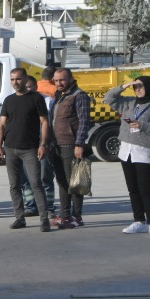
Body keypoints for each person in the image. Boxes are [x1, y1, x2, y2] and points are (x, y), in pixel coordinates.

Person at [105, 75, 150, 237]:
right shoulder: (128, 102)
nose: (138, 90)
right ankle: (139, 220)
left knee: (145, 189)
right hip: (126, 150)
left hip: (144, 151)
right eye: (136, 87)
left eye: (141, 86)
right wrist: (125, 85)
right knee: (133, 189)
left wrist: (143, 125)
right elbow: (108, 98)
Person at [0, 67, 52, 232]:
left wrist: (43, 144)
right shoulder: (8, 100)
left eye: (18, 79)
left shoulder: (36, 98)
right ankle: (19, 218)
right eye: (12, 80)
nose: (15, 82)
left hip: (30, 148)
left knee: (36, 184)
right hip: (10, 148)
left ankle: (44, 219)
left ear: (25, 79)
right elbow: (2, 125)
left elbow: (45, 122)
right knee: (14, 186)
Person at [45, 68, 92, 229]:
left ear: (71, 79)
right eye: (56, 80)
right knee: (62, 182)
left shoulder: (79, 96)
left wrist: (79, 144)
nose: (59, 83)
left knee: (76, 183)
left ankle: (76, 217)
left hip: (71, 145)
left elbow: (84, 121)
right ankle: (65, 215)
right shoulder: (59, 96)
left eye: (62, 80)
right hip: (56, 146)